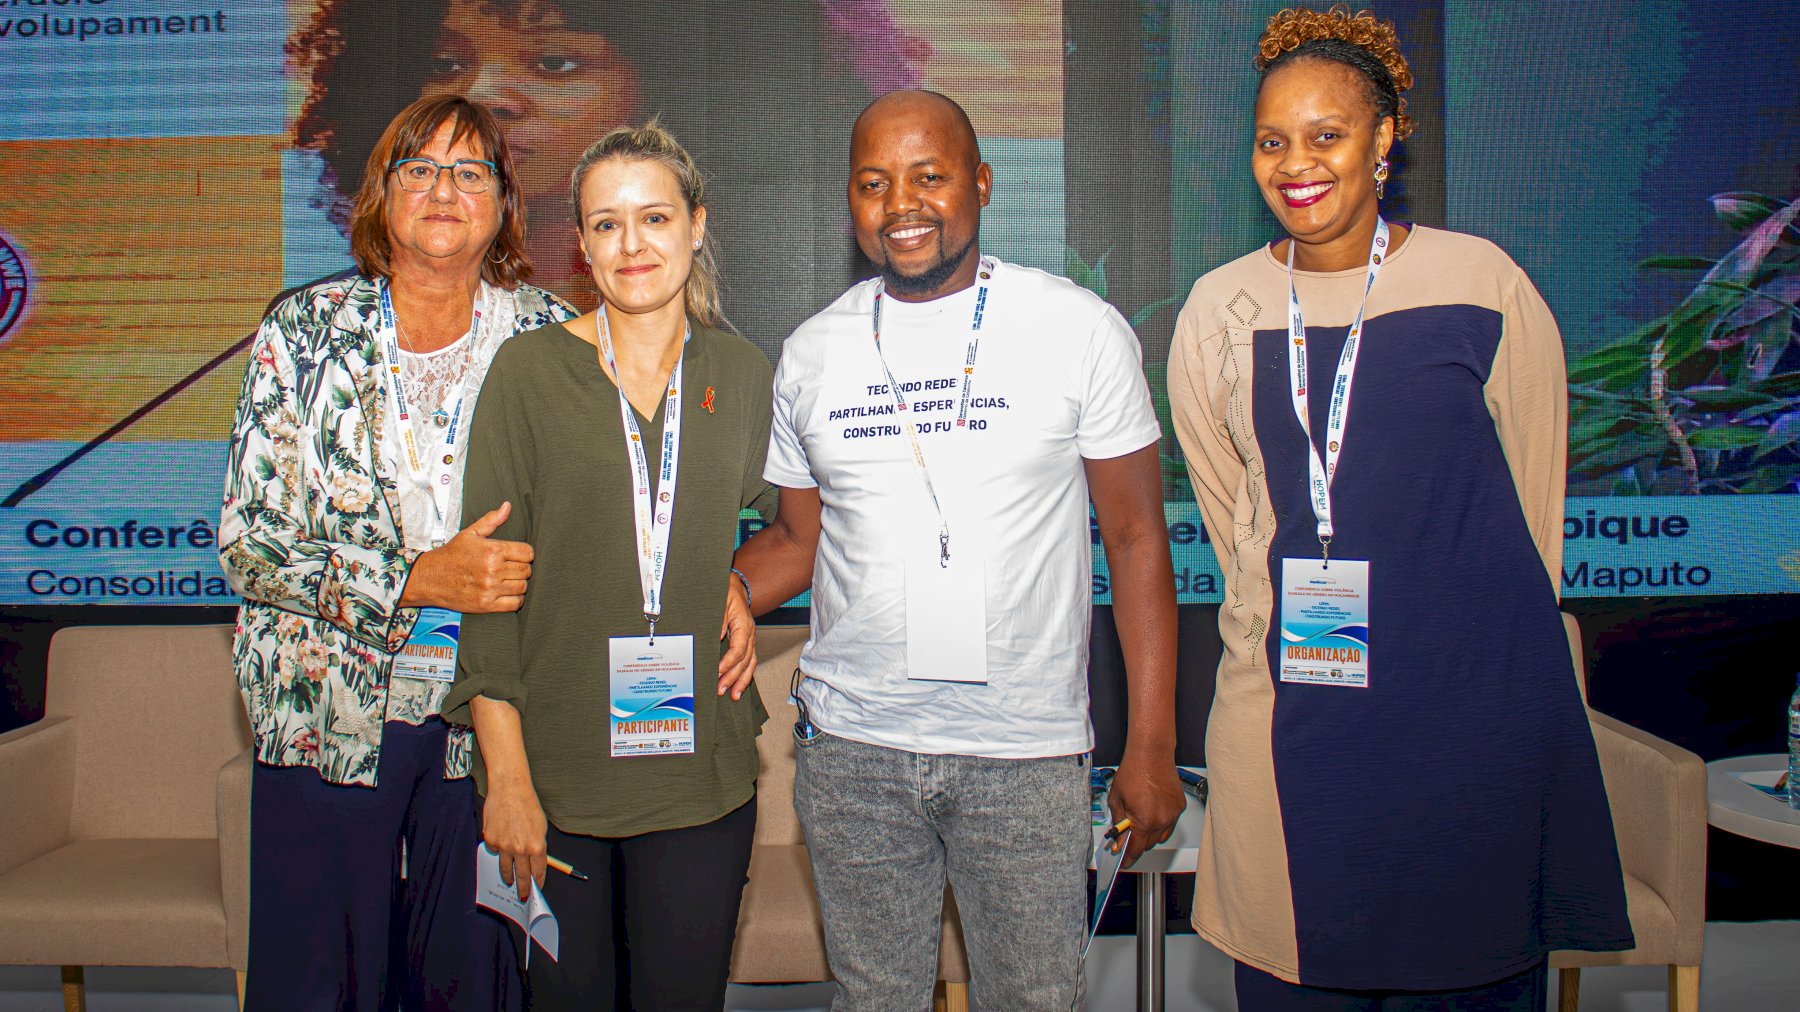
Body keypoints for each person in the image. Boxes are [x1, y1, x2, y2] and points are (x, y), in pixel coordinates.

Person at [1165, 7, 1634, 1009]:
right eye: (1272, 141)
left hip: (1472, 729)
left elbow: (1534, 516)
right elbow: (1236, 519)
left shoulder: (1482, 283)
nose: (1297, 164)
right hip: (1291, 724)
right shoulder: (1219, 309)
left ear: (1384, 138)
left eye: (1327, 135)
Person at [732, 89, 1186, 1010]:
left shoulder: (1076, 329)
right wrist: (711, 596)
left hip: (1023, 755)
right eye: (873, 182)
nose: (901, 204)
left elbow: (1138, 539)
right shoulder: (812, 353)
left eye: (929, 176)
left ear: (981, 182)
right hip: (853, 751)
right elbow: (797, 541)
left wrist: (1152, 743)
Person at [219, 94, 574, 1011]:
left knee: (474, 980)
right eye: (419, 169)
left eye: (469, 172)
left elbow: (594, 530)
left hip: (489, 725)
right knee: (317, 987)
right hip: (323, 707)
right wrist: (416, 578)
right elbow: (250, 545)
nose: (443, 191)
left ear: (503, 201)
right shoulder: (303, 331)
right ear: (381, 195)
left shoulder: (554, 337)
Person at [444, 120, 775, 1010]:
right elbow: (487, 591)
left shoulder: (743, 373)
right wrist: (506, 779)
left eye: (655, 218)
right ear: (582, 247)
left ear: (696, 226)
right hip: (553, 780)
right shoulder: (527, 374)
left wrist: (741, 581)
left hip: (700, 774)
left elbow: (800, 525)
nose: (632, 245)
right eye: (606, 224)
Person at [289, 0, 924, 349]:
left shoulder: (767, 338)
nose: (487, 96)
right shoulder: (317, 326)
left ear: (662, 91)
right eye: (448, 64)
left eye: (555, 63)